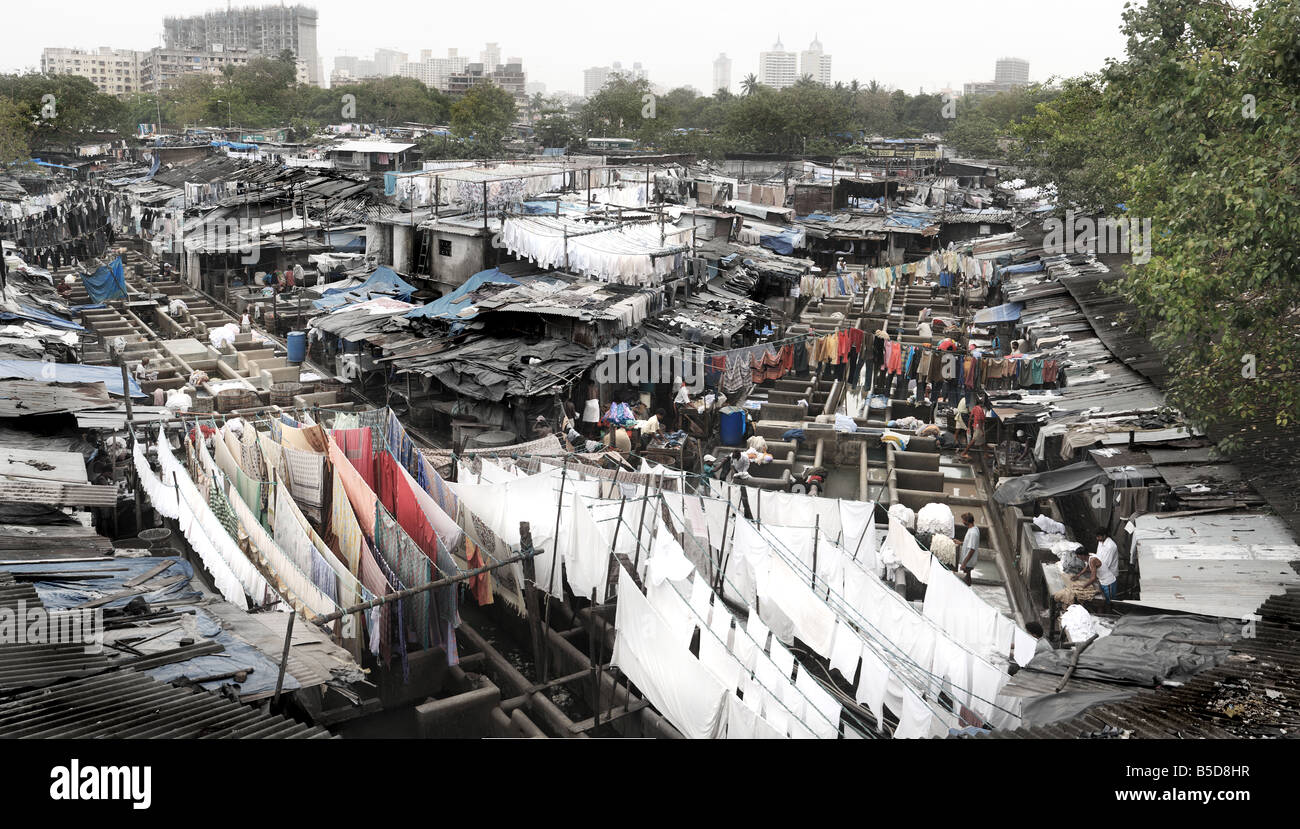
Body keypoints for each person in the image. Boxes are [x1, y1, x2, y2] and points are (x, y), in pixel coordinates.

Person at [1074, 528, 1120, 602]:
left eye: (1099, 536)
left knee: (1110, 601)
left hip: (1109, 579)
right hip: (1103, 577)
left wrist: (1083, 587)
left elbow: (1103, 566)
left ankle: (1111, 611)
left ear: (1104, 536)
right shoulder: (1091, 555)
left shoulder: (1110, 546)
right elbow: (1088, 567)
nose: (1097, 538)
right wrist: (1078, 575)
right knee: (1105, 599)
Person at [958, 512, 980, 585]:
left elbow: (972, 549)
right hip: (968, 561)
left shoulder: (973, 533)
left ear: (967, 521)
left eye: (963, 520)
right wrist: (960, 543)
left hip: (969, 561)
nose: (962, 522)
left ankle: (968, 590)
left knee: (967, 576)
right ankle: (968, 588)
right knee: (967, 576)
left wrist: (964, 563)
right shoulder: (973, 528)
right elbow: (969, 543)